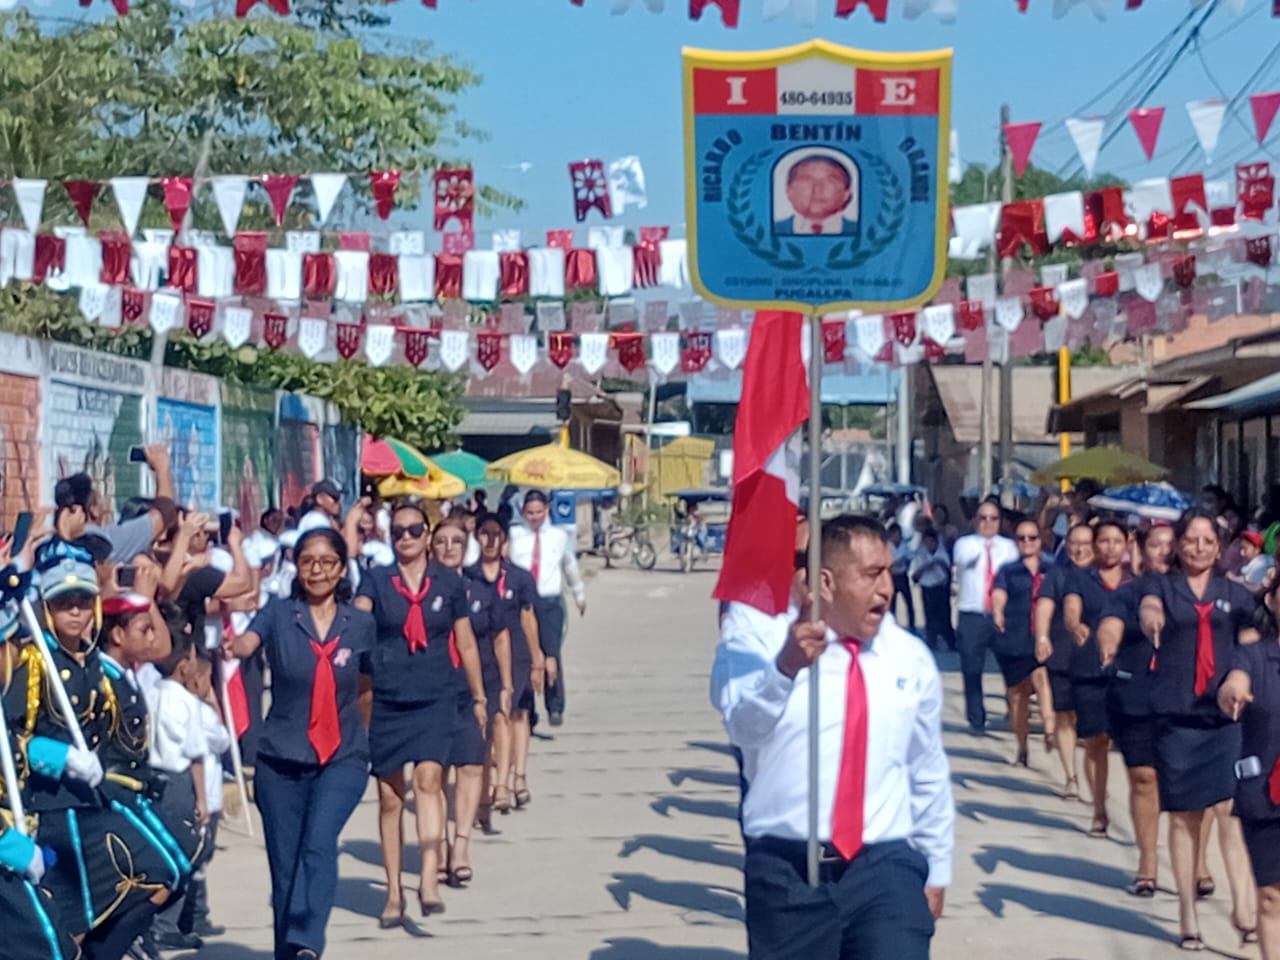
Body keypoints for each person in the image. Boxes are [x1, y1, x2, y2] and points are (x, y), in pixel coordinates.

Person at [712, 514, 953, 960]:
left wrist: (937, 864)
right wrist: (784, 669)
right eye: (871, 574)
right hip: (790, 871)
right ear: (825, 582)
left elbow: (926, 765)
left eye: (889, 571)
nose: (888, 587)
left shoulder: (908, 657)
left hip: (884, 866)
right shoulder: (763, 643)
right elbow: (743, 730)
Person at [4, 544, 183, 960]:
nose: (75, 612)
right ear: (46, 606)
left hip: (90, 800)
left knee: (162, 874)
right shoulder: (31, 661)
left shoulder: (93, 662)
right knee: (69, 927)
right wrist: (61, 757)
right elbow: (13, 743)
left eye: (83, 602)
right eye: (63, 603)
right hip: (51, 809)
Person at [224, 527, 375, 960]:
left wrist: (360, 739)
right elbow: (250, 639)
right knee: (285, 868)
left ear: (341, 568)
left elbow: (366, 688)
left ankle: (308, 939)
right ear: (297, 566)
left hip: (342, 757)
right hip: (281, 759)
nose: (317, 570)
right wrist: (235, 647)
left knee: (319, 842)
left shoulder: (360, 623)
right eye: (308, 561)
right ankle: (287, 954)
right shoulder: (278, 613)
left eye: (327, 561)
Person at [352, 503, 483, 924]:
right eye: (398, 532)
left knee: (429, 781)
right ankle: (393, 893)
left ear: (427, 535)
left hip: (437, 695)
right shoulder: (376, 579)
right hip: (388, 697)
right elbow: (357, 620)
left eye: (413, 530)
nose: (405, 537)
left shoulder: (448, 582)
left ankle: (428, 877)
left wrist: (479, 696)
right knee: (391, 798)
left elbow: (465, 643)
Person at [1138, 509, 1258, 950]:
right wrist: (1151, 619)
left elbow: (1249, 644)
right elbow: (1148, 608)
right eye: (1191, 540)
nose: (1200, 548)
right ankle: (1187, 913)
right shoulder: (1161, 588)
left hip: (1223, 719)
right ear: (1178, 545)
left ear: (1218, 545)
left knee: (1230, 810)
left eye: (1209, 540)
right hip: (1176, 717)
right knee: (1185, 818)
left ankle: (1243, 908)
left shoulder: (1237, 595)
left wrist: (1241, 677)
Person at [1097, 523, 1175, 898]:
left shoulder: (1193, 595)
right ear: (1141, 550)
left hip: (1188, 699)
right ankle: (1148, 862)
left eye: (1169, 545)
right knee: (1144, 776)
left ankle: (1197, 864)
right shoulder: (1127, 595)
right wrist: (1108, 643)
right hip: (1136, 695)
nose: (1163, 551)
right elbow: (1109, 625)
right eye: (1155, 545)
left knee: (1191, 788)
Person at [1218, 571, 1280, 959]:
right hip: (1268, 793)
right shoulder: (1254, 656)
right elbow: (1233, 681)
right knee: (1272, 895)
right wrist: (1233, 691)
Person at [1059, 519, 1131, 839]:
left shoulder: (1136, 582)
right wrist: (1076, 626)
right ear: (1094, 545)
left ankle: (1139, 806)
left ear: (1127, 544)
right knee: (1096, 742)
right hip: (1089, 670)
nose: (1110, 547)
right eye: (1104, 541)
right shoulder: (1080, 578)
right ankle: (1100, 810)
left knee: (1134, 749)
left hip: (1129, 672)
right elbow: (1071, 610)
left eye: (1117, 541)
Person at [430, 517, 491, 888]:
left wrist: (488, 694)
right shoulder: (420, 589)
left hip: (471, 687)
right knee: (433, 773)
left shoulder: (480, 588)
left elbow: (495, 636)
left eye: (456, 541)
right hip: (432, 689)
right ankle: (437, 844)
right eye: (441, 541)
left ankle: (462, 847)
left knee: (469, 766)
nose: (449, 547)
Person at [471, 515, 543, 810]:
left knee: (517, 714)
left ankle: (517, 777)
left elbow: (529, 617)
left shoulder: (519, 577)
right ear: (476, 537)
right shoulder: (468, 577)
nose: (490, 540)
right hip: (484, 653)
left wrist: (539, 659)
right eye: (484, 534)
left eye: (495, 534)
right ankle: (494, 780)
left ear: (504, 539)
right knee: (493, 717)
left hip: (518, 652)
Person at [145, 637, 211, 952]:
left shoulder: (150, 691)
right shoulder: (187, 702)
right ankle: (168, 923)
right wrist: (202, 800)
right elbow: (196, 754)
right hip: (178, 781)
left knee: (159, 848)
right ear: (184, 664)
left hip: (151, 780)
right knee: (184, 852)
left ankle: (152, 922)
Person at [509, 491, 585, 727]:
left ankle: (555, 705)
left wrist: (579, 593)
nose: (534, 517)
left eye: (539, 512)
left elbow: (569, 564)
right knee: (524, 656)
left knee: (551, 654)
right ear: (523, 512)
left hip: (549, 601)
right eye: (530, 513)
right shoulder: (514, 535)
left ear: (548, 509)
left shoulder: (558, 536)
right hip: (522, 603)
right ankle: (527, 709)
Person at [990, 519, 1057, 768]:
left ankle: (1050, 728)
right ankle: (1022, 746)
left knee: (1041, 677)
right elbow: (999, 593)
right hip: (1014, 637)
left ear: (1041, 540)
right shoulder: (1008, 570)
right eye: (1022, 538)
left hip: (1044, 636)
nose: (1027, 542)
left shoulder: (1052, 568)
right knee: (1017, 697)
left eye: (1032, 538)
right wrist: (997, 612)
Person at [1035, 523, 1095, 799]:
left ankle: (1097, 780)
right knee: (1065, 716)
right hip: (1063, 654)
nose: (1080, 549)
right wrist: (1042, 637)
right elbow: (1045, 606)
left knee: (1094, 726)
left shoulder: (1104, 577)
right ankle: (1071, 776)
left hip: (1098, 658)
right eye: (1074, 543)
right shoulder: (1057, 575)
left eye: (1086, 543)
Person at [951, 500, 1018, 733]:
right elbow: (963, 562)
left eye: (993, 518)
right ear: (975, 520)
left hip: (1003, 614)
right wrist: (985, 550)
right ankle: (976, 717)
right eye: (983, 518)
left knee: (1011, 668)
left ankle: (1015, 713)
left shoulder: (1009, 547)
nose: (988, 523)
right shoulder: (965, 544)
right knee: (972, 669)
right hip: (973, 614)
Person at [774, 155, 859, 236]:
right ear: (789, 191)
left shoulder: (864, 232)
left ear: (846, 193)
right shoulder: (771, 231)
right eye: (806, 180)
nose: (817, 189)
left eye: (830, 181)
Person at [910, 528, 953, 651]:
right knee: (929, 616)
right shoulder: (920, 555)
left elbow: (948, 571)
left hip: (940, 587)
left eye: (931, 542)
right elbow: (915, 576)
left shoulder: (941, 553)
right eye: (926, 542)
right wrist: (927, 566)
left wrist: (939, 563)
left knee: (944, 616)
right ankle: (931, 641)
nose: (929, 545)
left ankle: (950, 641)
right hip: (927, 588)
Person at [888, 523, 916, 632]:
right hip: (893, 576)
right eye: (894, 534)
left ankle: (912, 626)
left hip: (902, 575)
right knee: (892, 604)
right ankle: (892, 627)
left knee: (909, 602)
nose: (897, 536)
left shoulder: (905, 546)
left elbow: (910, 558)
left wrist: (906, 564)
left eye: (898, 534)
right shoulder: (888, 546)